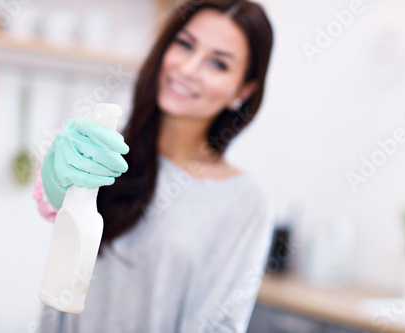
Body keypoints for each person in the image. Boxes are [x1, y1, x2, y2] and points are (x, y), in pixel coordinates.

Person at [32, 0, 275, 332]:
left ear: (243, 91)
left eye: (218, 63)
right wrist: (57, 182)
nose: (189, 69)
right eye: (185, 44)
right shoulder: (103, 153)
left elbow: (220, 324)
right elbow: (55, 210)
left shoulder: (244, 202)